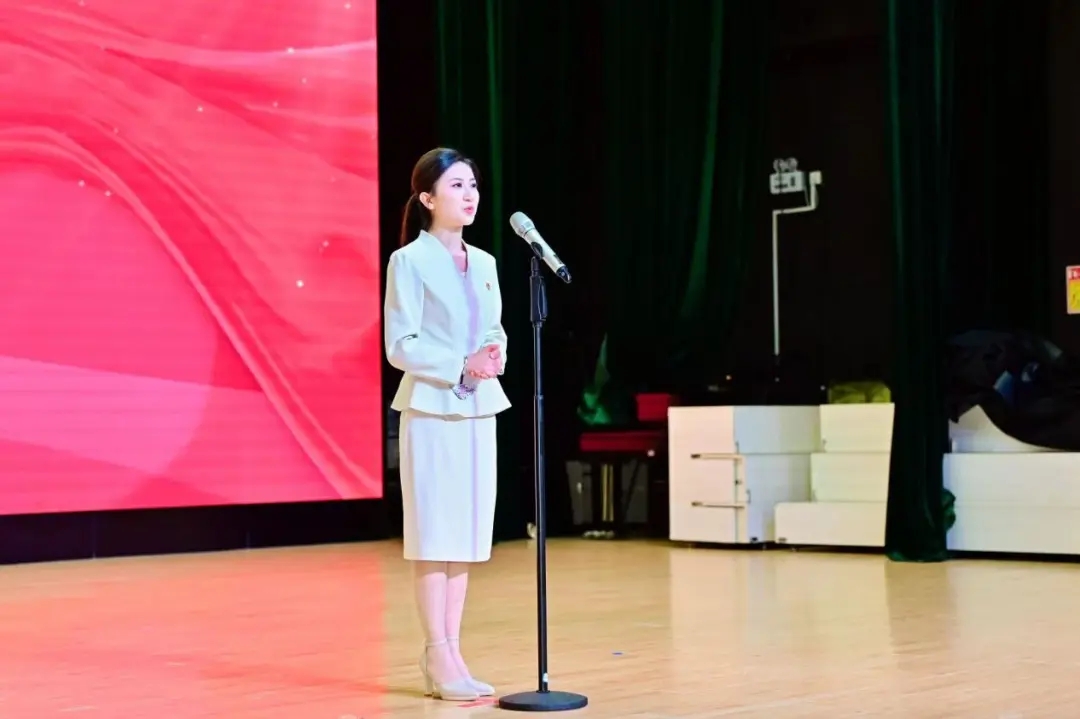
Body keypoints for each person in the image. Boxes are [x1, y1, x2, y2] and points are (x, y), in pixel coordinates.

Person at [384, 147, 511, 702]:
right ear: (427, 198)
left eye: (473, 185)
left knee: (466, 535)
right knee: (435, 533)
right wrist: (460, 363)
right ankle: (436, 651)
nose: (469, 195)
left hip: (479, 406)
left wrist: (492, 355)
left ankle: (452, 651)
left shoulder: (484, 263)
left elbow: (495, 329)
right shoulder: (408, 261)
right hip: (433, 408)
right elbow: (400, 344)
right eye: (456, 185)